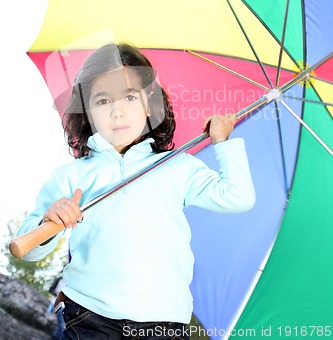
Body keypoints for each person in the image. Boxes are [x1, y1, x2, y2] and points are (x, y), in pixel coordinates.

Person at [16, 42, 255, 339]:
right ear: (87, 110)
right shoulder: (72, 175)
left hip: (164, 324)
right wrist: (48, 223)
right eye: (103, 101)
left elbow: (238, 196)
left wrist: (224, 143)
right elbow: (26, 247)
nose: (117, 112)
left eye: (129, 97)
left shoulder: (176, 166)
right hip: (89, 318)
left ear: (148, 102)